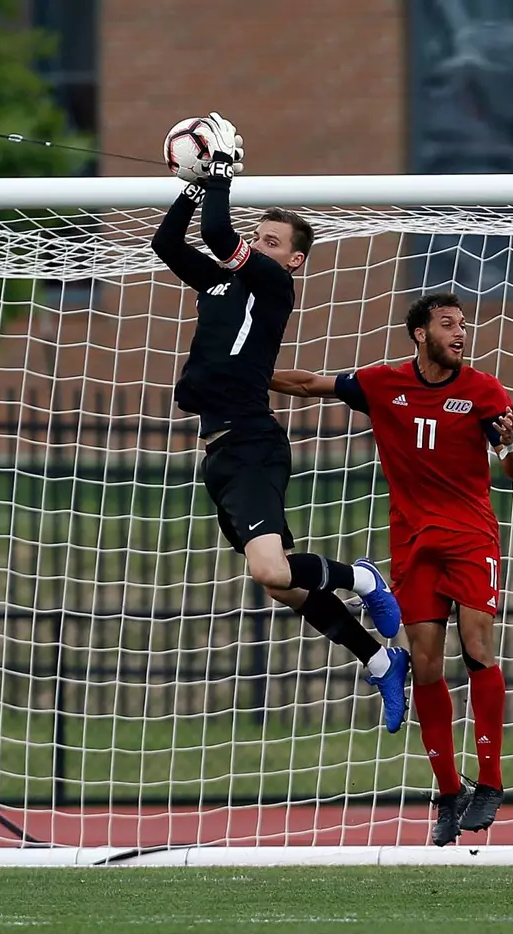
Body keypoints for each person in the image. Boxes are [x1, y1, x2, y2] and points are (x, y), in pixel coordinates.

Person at [149, 112, 408, 731]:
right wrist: (193, 185)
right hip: (218, 452)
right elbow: (168, 244)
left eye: (271, 242)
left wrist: (219, 176)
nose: (258, 245)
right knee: (285, 585)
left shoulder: (270, 287)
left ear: (291, 261)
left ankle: (362, 577)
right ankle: (377, 660)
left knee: (269, 569)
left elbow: (217, 229)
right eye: (256, 237)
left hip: (252, 443)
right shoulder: (218, 284)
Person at [271, 292, 513, 845]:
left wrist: (508, 444)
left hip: (470, 536)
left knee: (478, 648)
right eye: (448, 324)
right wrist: (245, 375)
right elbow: (311, 384)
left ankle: (492, 783)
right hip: (413, 544)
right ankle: (449, 794)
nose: (460, 333)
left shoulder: (483, 390)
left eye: (464, 325)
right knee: (427, 667)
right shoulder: (382, 383)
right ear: (419, 333)